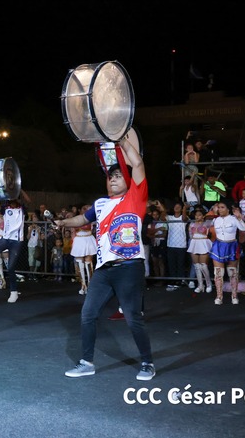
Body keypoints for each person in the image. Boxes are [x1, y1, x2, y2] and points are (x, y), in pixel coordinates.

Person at [57, 128, 155, 381]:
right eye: (110, 177)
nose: (112, 180)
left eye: (118, 176)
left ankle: (147, 362)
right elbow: (82, 219)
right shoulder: (100, 204)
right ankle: (86, 362)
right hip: (104, 269)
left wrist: (121, 139)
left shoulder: (136, 197)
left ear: (128, 181)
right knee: (88, 314)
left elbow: (138, 164)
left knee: (132, 318)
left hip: (129, 266)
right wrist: (63, 222)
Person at [0, 191, 33, 303]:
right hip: (5, 238)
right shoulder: (5, 208)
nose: (11, 200)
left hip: (16, 241)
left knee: (10, 267)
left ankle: (14, 292)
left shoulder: (22, 208)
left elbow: (29, 201)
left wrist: (19, 189)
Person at [208, 200, 245, 305]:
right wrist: (213, 212)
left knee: (232, 272)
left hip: (231, 246)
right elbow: (206, 225)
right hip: (218, 246)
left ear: (228, 209)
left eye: (222, 207)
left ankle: (234, 296)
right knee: (218, 273)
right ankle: (219, 296)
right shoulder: (215, 220)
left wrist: (239, 217)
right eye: (219, 207)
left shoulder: (233, 219)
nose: (220, 209)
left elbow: (243, 228)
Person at [187, 206, 213, 293]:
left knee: (203, 265)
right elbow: (190, 235)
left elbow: (213, 218)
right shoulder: (191, 224)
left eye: (199, 215)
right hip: (194, 242)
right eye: (196, 215)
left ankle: (208, 284)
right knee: (196, 266)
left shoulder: (207, 223)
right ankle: (200, 285)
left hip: (204, 243)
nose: (197, 216)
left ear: (203, 216)